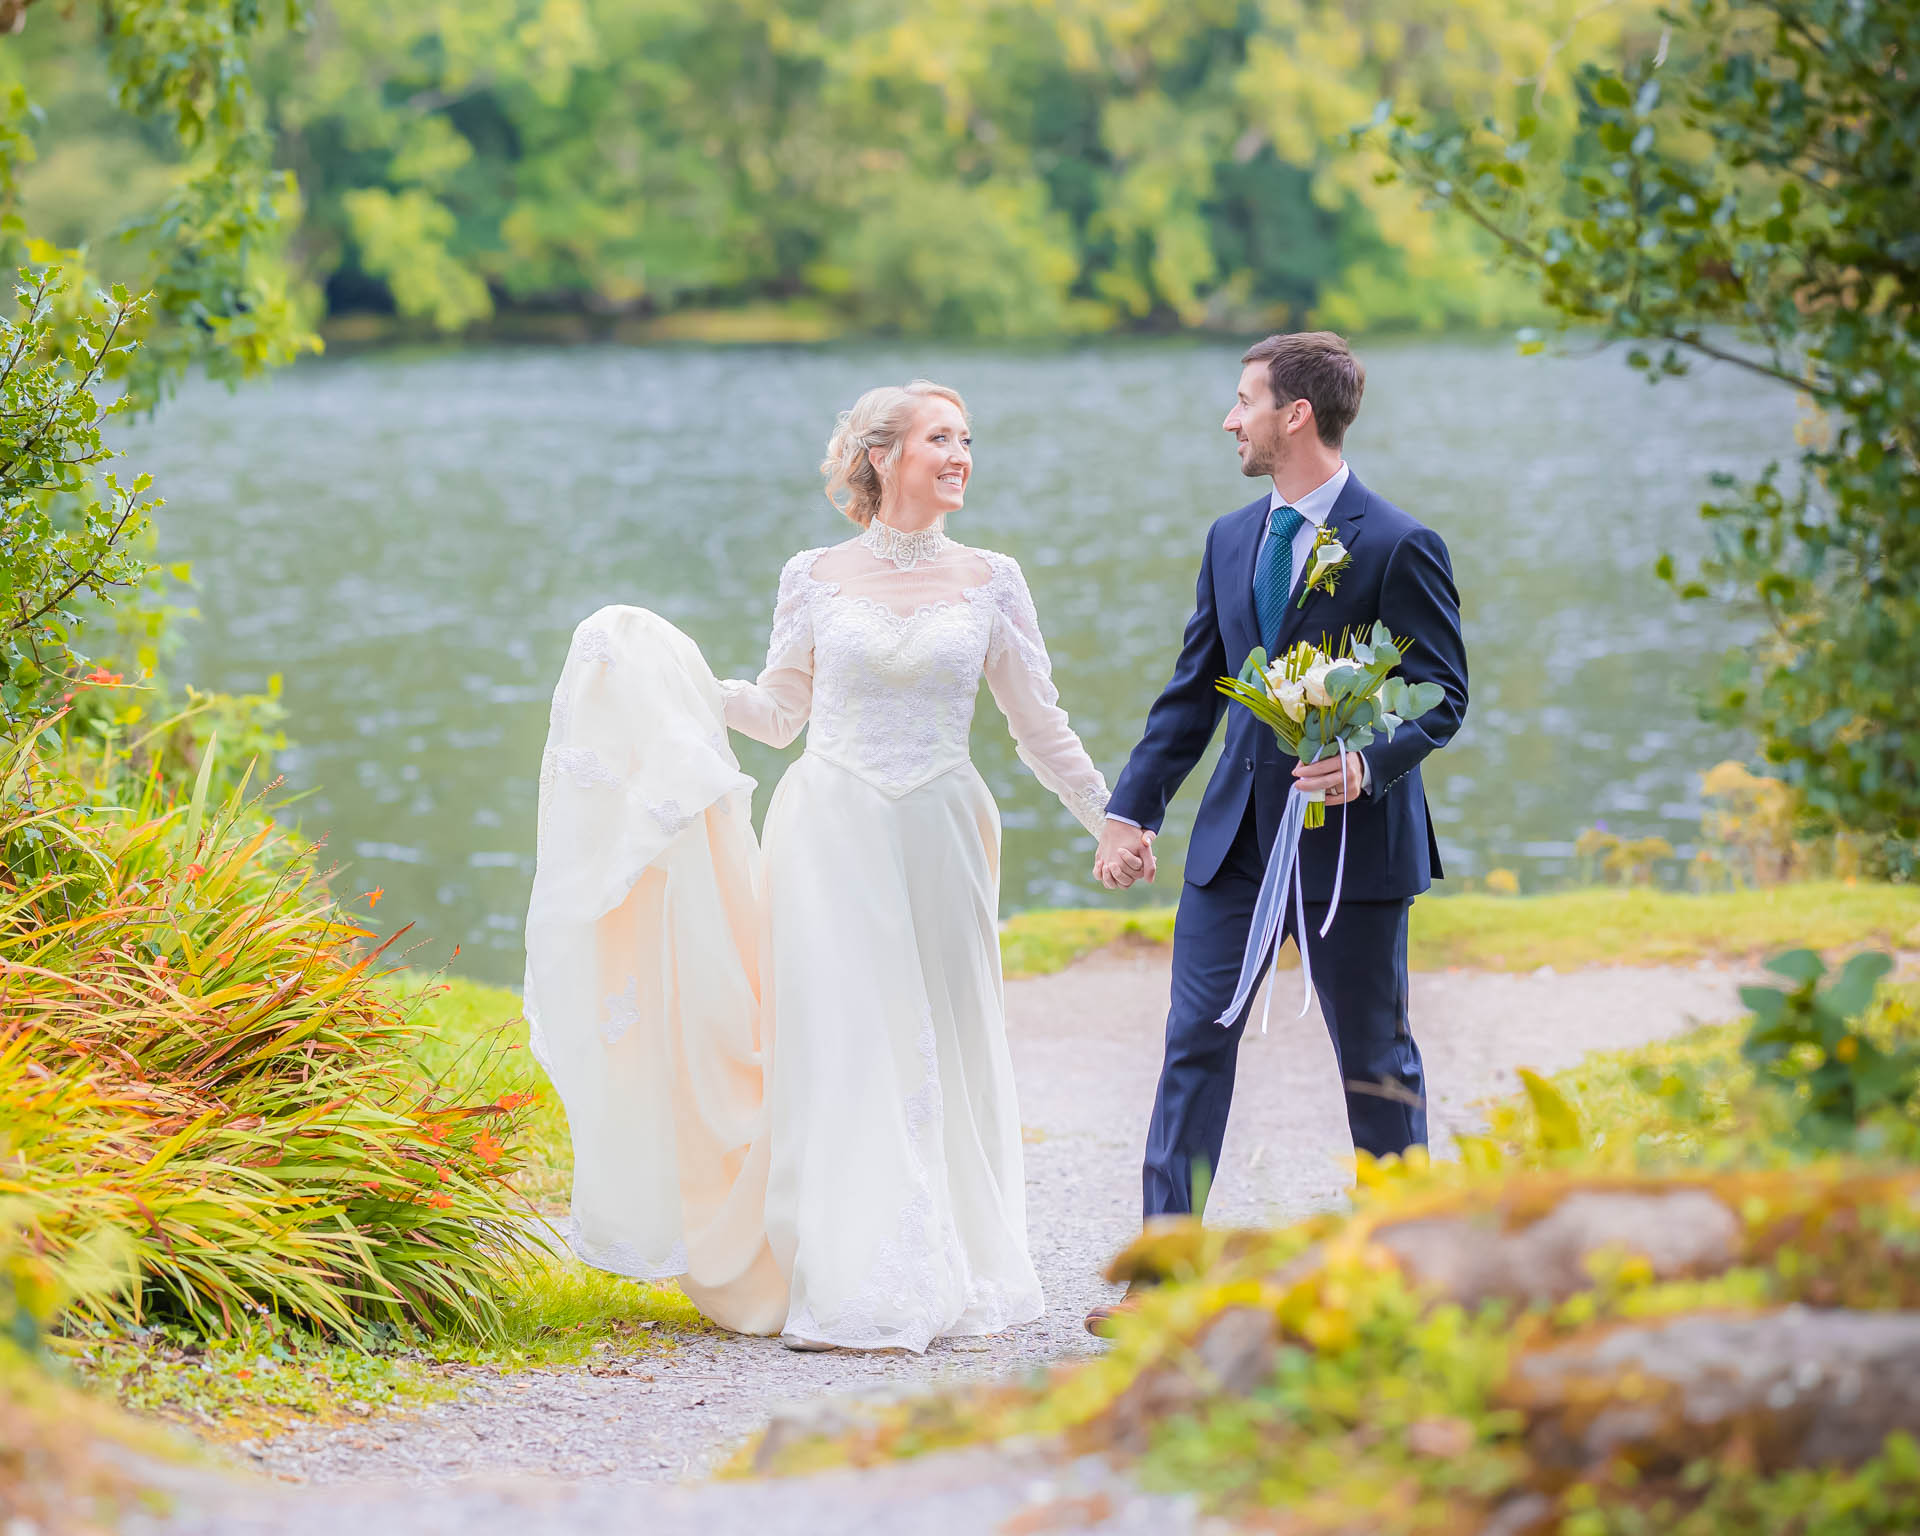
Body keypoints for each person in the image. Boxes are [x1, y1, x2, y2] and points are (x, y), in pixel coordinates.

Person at [524, 380, 1124, 1352]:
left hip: (940, 827)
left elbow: (1036, 725)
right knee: (836, 1037)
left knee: (943, 1037)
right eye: (940, 437)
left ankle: (949, 1256)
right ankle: (837, 1262)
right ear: (882, 456)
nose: (961, 453)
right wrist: (678, 685)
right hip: (828, 825)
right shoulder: (812, 574)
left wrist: (1109, 817)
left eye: (968, 438)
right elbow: (779, 715)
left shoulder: (992, 579)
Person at [1088, 332, 1469, 1334]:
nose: (1231, 419)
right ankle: (1162, 1279)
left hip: (1355, 847)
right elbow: (1190, 695)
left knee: (1372, 1055)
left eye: (1244, 400)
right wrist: (1132, 807)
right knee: (1192, 1042)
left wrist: (1365, 762)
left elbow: (1443, 696)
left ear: (1295, 415)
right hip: (1237, 845)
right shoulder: (1227, 538)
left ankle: (1397, 1263)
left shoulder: (1397, 543)